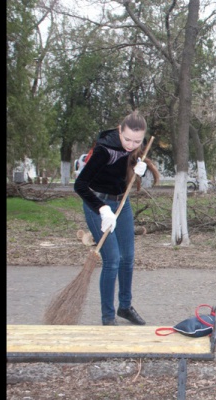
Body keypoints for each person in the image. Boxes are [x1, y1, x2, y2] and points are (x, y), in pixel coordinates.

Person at [74, 111, 152, 326]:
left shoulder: (136, 145)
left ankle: (125, 307)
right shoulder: (104, 150)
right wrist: (102, 210)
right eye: (127, 139)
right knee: (113, 260)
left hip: (122, 202)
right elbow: (79, 185)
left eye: (137, 141)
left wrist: (141, 170)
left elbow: (128, 166)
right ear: (119, 130)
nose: (131, 145)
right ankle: (108, 316)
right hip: (97, 203)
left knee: (128, 257)